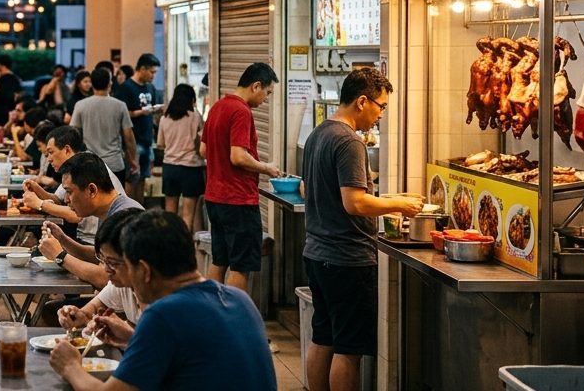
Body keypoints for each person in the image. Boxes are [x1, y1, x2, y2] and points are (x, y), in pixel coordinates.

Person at [49, 210, 276, 391]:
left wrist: (71, 366)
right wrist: (135, 338)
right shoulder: (239, 298)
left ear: (145, 271)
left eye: (125, 265)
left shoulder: (163, 315)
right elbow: (191, 357)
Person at [303, 68, 421, 391]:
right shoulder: (349, 141)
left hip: (317, 255)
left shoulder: (318, 134)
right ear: (362, 101)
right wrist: (399, 204)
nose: (381, 115)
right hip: (346, 260)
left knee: (323, 338)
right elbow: (354, 202)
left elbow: (307, 189)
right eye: (381, 107)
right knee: (349, 351)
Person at [202, 62, 282, 293]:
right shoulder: (241, 111)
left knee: (220, 260)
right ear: (256, 86)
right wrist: (266, 168)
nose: (266, 99)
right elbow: (238, 156)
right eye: (267, 93)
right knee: (240, 266)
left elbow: (203, 151)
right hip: (238, 200)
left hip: (215, 198)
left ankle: (212, 314)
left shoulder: (217, 106)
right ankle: (233, 319)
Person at [36, 152, 143, 288]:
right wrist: (63, 240)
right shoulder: (109, 210)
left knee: (50, 309)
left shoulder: (124, 218)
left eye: (69, 192)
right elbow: (100, 257)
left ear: (92, 190)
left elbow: (105, 278)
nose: (66, 199)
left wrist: (60, 256)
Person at [56, 208, 147, 333]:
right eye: (103, 260)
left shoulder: (164, 298)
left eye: (112, 263)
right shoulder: (123, 282)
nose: (106, 269)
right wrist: (79, 315)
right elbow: (92, 308)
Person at [70, 68, 138, 184]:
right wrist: (133, 160)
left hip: (89, 164)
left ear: (92, 84)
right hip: (114, 164)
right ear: (109, 83)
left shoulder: (80, 105)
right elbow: (128, 137)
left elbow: (73, 134)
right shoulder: (120, 105)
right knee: (116, 201)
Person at [158, 83, 206, 231]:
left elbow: (160, 144)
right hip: (191, 169)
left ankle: (168, 246)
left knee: (170, 214)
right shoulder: (195, 116)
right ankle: (184, 249)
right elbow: (201, 143)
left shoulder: (165, 118)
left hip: (170, 168)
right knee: (187, 215)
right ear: (191, 99)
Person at [114, 53, 161, 201]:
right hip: (133, 141)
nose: (153, 76)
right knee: (131, 178)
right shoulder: (126, 88)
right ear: (142, 69)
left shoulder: (150, 88)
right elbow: (121, 114)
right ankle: (127, 213)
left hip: (147, 140)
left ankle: (139, 211)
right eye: (152, 72)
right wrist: (142, 112)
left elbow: (151, 109)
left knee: (143, 179)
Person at [0, 55, 23, 123]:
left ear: (2, 65)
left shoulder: (1, 79)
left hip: (0, 113)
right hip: (11, 112)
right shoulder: (16, 79)